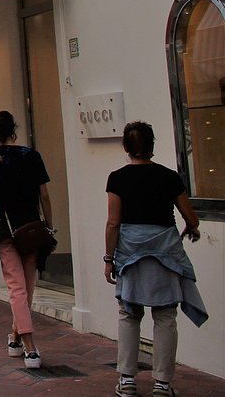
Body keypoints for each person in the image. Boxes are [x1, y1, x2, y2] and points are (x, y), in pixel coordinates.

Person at [105, 121, 207, 397]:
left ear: (126, 147)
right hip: (165, 254)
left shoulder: (117, 178)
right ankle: (162, 383)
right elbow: (191, 217)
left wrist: (108, 258)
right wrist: (190, 229)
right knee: (165, 316)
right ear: (152, 145)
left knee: (129, 313)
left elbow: (114, 223)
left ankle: (127, 380)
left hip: (130, 255)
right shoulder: (169, 177)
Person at [0, 110, 54, 371]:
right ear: (14, 130)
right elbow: (44, 195)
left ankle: (23, 343)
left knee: (17, 287)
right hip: (30, 227)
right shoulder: (31, 156)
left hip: (4, 229)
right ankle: (22, 341)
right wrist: (50, 226)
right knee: (26, 287)